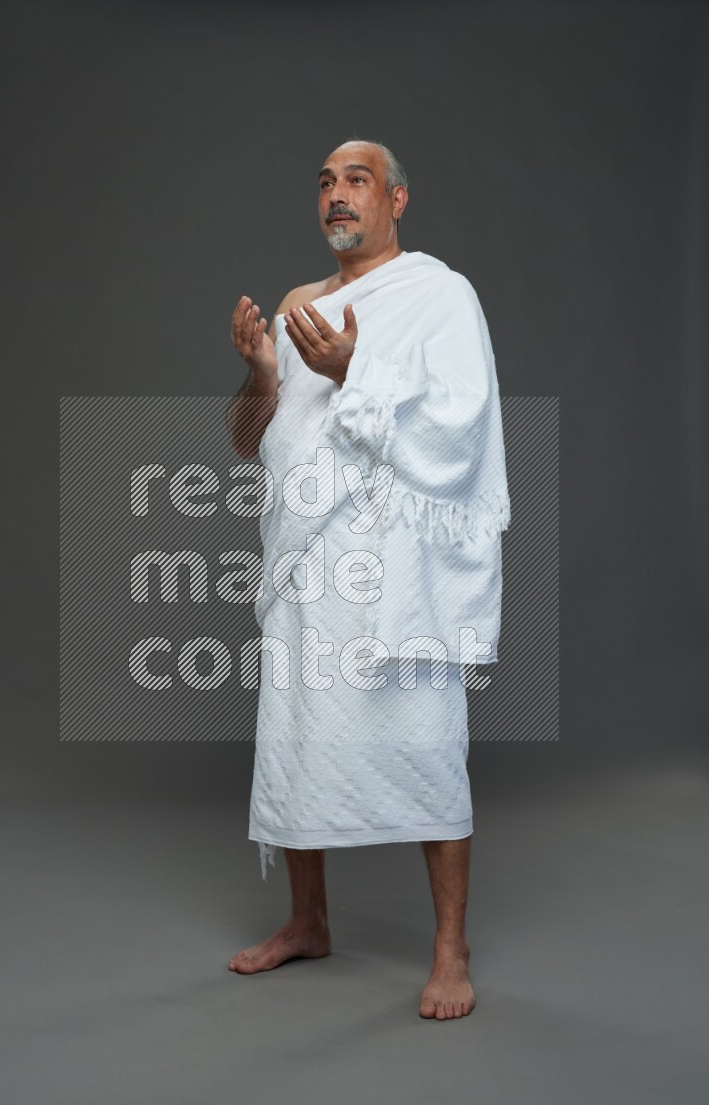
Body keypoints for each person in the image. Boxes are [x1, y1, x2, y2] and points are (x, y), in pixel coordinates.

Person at [225, 139, 510, 1020]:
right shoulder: (298, 306)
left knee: (426, 743)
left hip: (398, 569)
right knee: (297, 734)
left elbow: (461, 421)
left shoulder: (440, 295)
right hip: (308, 561)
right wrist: (262, 375)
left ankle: (451, 947)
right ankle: (307, 920)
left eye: (357, 180)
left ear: (396, 199)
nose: (338, 196)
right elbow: (248, 441)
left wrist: (355, 371)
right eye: (326, 183)